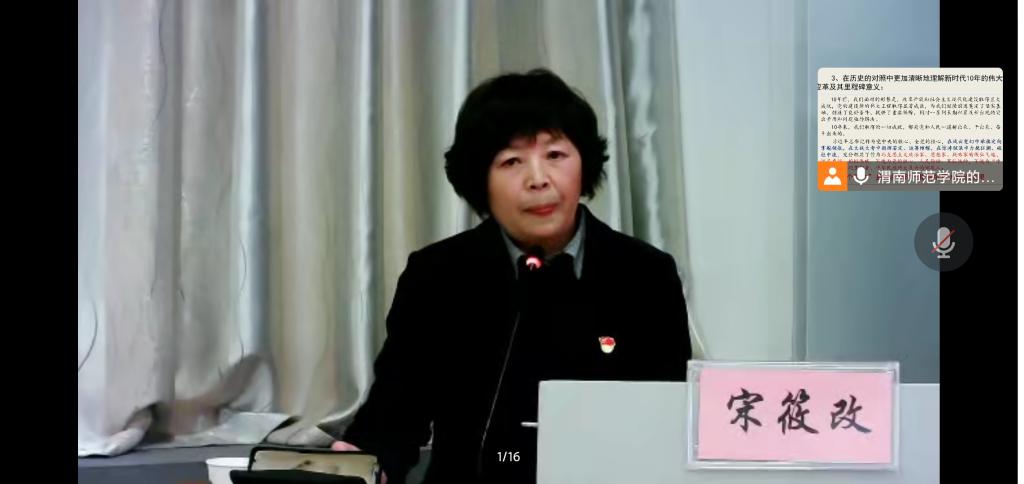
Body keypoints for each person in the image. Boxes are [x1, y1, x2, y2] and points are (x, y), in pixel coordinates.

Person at [330, 68, 692, 484]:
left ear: (584, 164)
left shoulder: (645, 275)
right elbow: (394, 415)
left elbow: (666, 421)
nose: (538, 180)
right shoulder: (438, 276)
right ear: (480, 181)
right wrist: (364, 463)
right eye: (511, 161)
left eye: (555, 155)